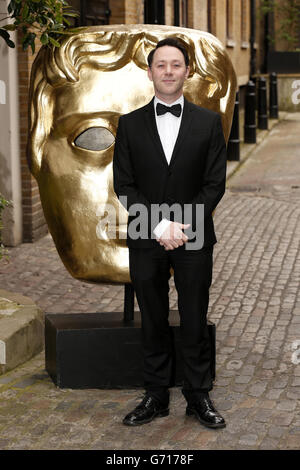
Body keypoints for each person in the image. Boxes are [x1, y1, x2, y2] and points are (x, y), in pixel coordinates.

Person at [113, 37, 227, 429]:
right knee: (153, 318)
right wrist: (159, 225)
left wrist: (183, 226)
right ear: (150, 72)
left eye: (175, 65)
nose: (168, 71)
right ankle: (156, 395)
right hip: (147, 234)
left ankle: (198, 395)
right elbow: (124, 185)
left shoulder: (209, 123)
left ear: (187, 72)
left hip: (193, 235)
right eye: (160, 65)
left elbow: (214, 184)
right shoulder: (128, 125)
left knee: (194, 317)